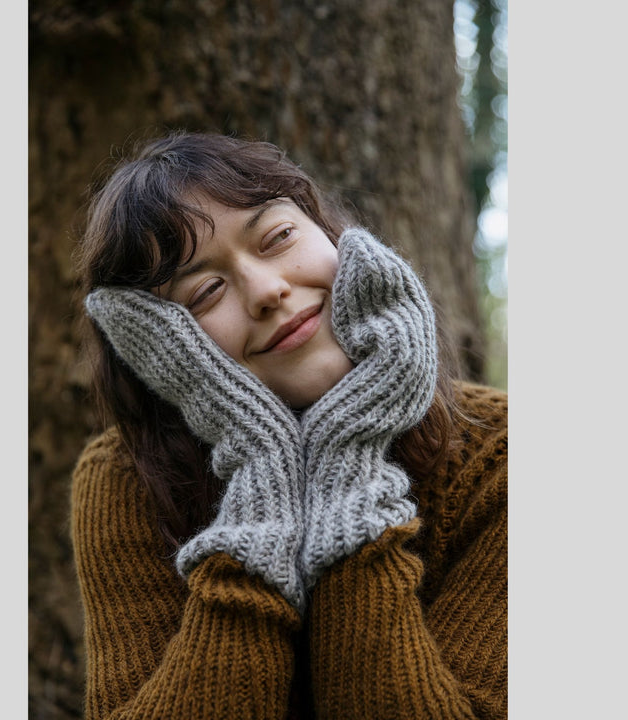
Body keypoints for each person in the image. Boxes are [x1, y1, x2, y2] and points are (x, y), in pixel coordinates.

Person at [71, 131, 507, 720]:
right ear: (154, 344)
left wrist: (346, 455)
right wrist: (260, 469)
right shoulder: (125, 480)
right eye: (205, 292)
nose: (268, 290)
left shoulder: (503, 453)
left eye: (278, 237)